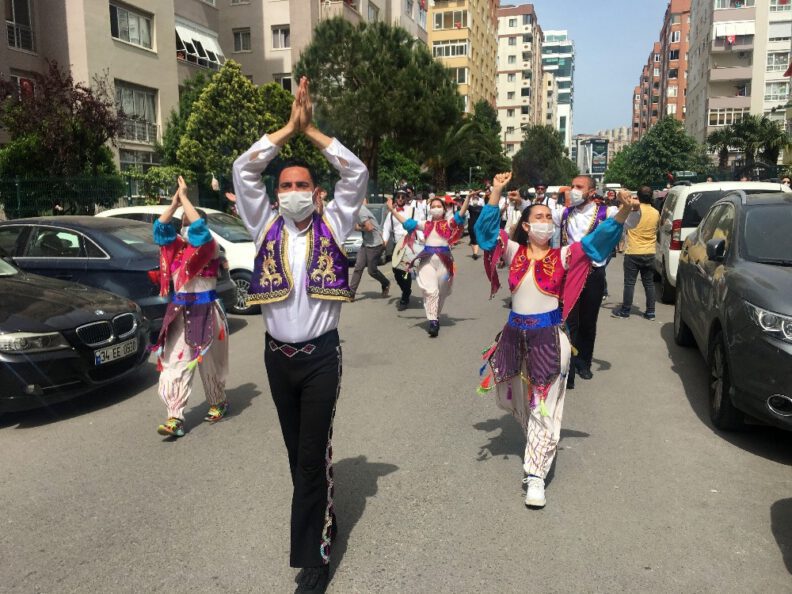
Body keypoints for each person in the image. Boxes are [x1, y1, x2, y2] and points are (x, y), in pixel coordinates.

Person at [232, 77, 367, 594]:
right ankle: (322, 514)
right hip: (277, 358)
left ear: (316, 192)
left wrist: (311, 132)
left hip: (321, 359)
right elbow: (244, 169)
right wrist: (286, 129)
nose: (292, 192)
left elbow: (356, 172)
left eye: (301, 185)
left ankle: (314, 558)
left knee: (310, 456)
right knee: (298, 455)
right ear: (276, 195)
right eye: (285, 185)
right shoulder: (263, 226)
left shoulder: (334, 223)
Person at [475, 172, 637, 508]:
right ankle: (539, 441)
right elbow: (486, 234)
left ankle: (535, 475)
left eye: (549, 217)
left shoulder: (564, 255)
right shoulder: (514, 251)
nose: (546, 222)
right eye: (539, 217)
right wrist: (495, 192)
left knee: (542, 405)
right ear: (525, 225)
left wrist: (622, 212)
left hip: (549, 340)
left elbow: (598, 242)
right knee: (517, 403)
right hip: (512, 338)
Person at [151, 176, 229, 438]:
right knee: (175, 362)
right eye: (182, 224)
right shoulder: (177, 248)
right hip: (180, 313)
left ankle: (218, 401)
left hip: (207, 312)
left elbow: (199, 230)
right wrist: (174, 204)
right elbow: (159, 229)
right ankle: (175, 417)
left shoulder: (210, 247)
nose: (184, 228)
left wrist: (185, 197)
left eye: (188, 223)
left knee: (210, 363)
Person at [549, 175, 641, 388]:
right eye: (572, 186)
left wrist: (633, 206)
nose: (573, 190)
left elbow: (631, 222)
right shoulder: (564, 213)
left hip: (593, 274)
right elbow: (540, 216)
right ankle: (567, 368)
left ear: (591, 192)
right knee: (568, 321)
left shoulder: (606, 212)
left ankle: (584, 362)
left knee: (588, 321)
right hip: (569, 275)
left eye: (578, 187)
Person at [387, 193, 470, 337]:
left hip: (444, 261)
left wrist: (467, 198)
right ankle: (433, 321)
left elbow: (460, 214)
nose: (436, 208)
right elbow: (406, 223)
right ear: (429, 209)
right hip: (427, 260)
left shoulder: (449, 223)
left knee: (442, 292)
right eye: (433, 206)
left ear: (444, 209)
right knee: (432, 291)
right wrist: (392, 210)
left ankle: (435, 315)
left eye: (439, 206)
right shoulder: (426, 224)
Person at [612, 186, 660, 321]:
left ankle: (625, 311)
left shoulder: (633, 210)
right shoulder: (656, 212)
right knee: (649, 284)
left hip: (633, 251)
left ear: (638, 196)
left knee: (629, 283)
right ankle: (650, 312)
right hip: (650, 251)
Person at [382, 188, 422, 311]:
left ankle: (405, 296)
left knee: (405, 271)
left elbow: (419, 225)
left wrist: (422, 239)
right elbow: (386, 229)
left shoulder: (414, 210)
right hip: (397, 245)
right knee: (396, 271)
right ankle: (406, 290)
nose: (400, 199)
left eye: (403, 197)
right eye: (398, 196)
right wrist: (384, 242)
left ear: (406, 198)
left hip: (410, 244)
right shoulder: (391, 213)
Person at [349, 201, 390, 300]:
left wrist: (357, 228)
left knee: (372, 271)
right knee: (358, 267)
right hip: (366, 243)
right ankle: (351, 293)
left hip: (375, 244)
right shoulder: (354, 211)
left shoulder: (360, 210)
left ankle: (385, 283)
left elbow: (369, 227)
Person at [467, 190, 485, 260]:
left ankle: (475, 253)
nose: (475, 200)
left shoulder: (481, 207)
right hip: (471, 223)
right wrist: (469, 196)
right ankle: (474, 252)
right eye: (474, 199)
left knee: (476, 238)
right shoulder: (470, 206)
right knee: (472, 239)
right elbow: (465, 205)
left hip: (479, 224)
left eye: (476, 199)